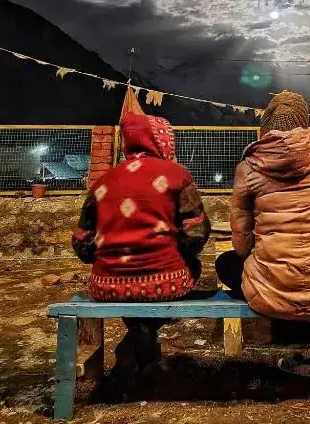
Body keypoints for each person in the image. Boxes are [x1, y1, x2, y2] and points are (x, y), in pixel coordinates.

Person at [216, 90, 310, 385]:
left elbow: (241, 244)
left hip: (272, 289)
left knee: (225, 264)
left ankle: (287, 343)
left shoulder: (249, 167)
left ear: (266, 124)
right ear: (303, 121)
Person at [72, 112, 210, 381]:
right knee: (193, 267)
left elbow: (82, 244)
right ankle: (139, 340)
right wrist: (171, 253)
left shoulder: (103, 181)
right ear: (161, 141)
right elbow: (197, 234)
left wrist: (113, 257)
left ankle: (139, 340)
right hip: (166, 284)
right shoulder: (177, 175)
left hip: (106, 286)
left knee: (135, 291)